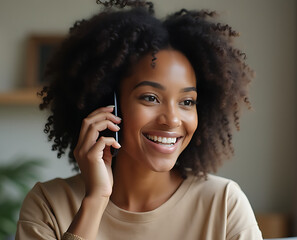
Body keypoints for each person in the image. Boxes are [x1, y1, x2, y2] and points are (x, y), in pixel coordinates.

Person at [16, 0, 262, 239]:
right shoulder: (48, 205)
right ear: (107, 103)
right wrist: (96, 199)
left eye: (187, 102)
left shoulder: (224, 204)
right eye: (150, 98)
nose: (172, 120)